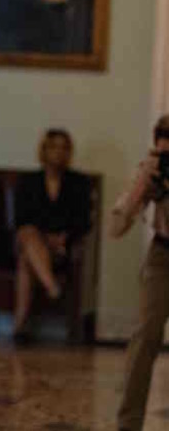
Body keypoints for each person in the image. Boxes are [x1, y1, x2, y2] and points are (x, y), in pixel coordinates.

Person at [112, 115, 169, 431]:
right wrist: (142, 186)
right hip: (162, 255)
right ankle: (128, 424)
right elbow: (116, 228)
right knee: (146, 335)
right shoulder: (154, 171)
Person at [13, 128, 91, 340]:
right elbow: (21, 219)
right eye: (54, 147)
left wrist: (64, 237)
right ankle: (53, 287)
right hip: (32, 240)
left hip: (62, 248)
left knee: (25, 262)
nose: (59, 152)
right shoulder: (28, 181)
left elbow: (84, 222)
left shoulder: (79, 183)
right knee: (28, 236)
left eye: (65, 148)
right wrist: (45, 237)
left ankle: (20, 327)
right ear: (44, 150)